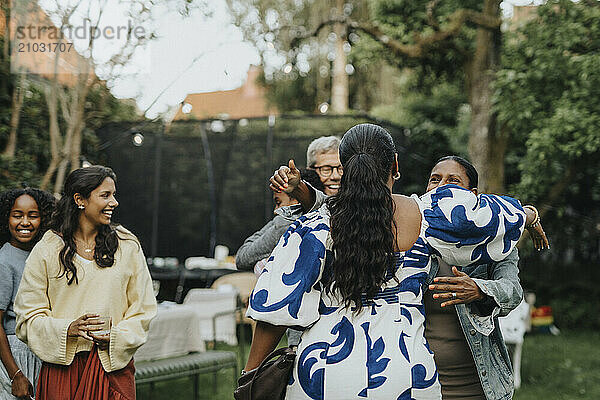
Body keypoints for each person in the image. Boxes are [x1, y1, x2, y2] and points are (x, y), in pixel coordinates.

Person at [245, 124, 547, 399]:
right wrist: (530, 216)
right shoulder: (429, 215)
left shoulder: (314, 228)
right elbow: (493, 214)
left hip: (323, 374)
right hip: (407, 373)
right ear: (396, 167)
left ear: (345, 170)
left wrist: (248, 378)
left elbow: (273, 312)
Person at [14, 166, 157, 399]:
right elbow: (26, 318)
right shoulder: (48, 248)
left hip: (112, 370)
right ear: (80, 199)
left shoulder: (127, 245)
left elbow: (144, 310)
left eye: (113, 194)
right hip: (62, 374)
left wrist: (115, 335)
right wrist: (68, 329)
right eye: (105, 195)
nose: (114, 202)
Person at [424, 156, 534, 399]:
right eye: (435, 180)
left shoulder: (497, 243)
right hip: (419, 382)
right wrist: (530, 216)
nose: (442, 186)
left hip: (478, 385)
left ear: (472, 194)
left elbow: (512, 291)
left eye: (453, 180)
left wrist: (479, 289)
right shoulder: (412, 236)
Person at [236, 169, 324, 346]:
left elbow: (243, 257)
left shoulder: (286, 224)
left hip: (299, 334)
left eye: (278, 202)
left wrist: (281, 220)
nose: (277, 211)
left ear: (297, 198)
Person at [0, 188, 55, 400]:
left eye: (33, 215)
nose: (25, 222)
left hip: (42, 350)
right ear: (6, 219)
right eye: (17, 215)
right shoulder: (4, 260)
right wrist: (16, 374)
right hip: (16, 355)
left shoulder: (42, 254)